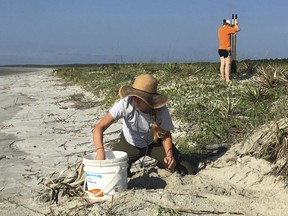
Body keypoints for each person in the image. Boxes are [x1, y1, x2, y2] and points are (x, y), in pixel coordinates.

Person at [93, 74, 193, 176]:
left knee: (185, 170)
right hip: (130, 143)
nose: (136, 99)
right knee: (113, 172)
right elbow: (99, 128)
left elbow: (166, 134)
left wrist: (169, 155)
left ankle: (162, 163)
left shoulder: (161, 110)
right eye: (134, 96)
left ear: (150, 99)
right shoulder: (125, 104)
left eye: (140, 98)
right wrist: (100, 150)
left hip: (154, 142)